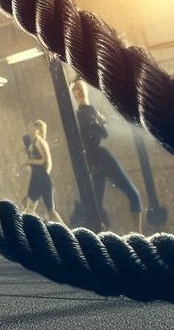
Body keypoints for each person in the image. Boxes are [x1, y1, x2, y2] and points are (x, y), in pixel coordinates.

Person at [71, 77, 144, 233]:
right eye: (74, 90)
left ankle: (138, 235)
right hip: (93, 161)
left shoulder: (89, 112)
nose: (78, 92)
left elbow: (101, 135)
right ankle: (102, 237)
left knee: (132, 194)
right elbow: (96, 134)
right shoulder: (81, 114)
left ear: (85, 90)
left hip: (100, 157)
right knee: (95, 208)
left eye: (79, 89)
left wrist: (96, 123)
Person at [20, 120, 61, 222]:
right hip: (37, 177)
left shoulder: (39, 141)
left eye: (33, 127)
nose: (30, 128)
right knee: (29, 206)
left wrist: (28, 161)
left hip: (41, 178)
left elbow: (43, 160)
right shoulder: (34, 142)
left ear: (37, 129)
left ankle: (67, 232)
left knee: (50, 211)